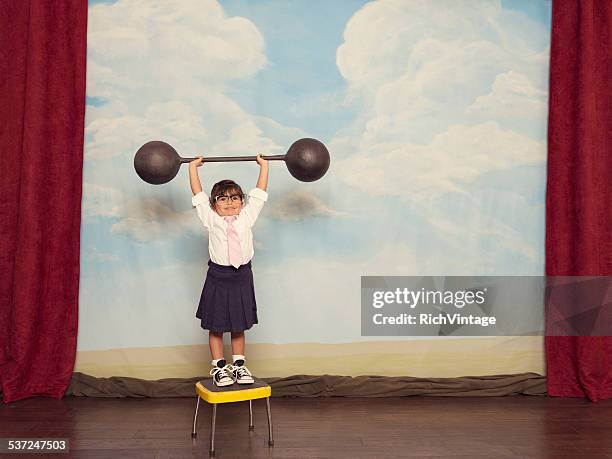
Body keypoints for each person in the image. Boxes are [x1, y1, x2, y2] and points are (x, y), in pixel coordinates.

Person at [189, 154, 269, 387]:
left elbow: (260, 192)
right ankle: (220, 368)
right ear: (214, 205)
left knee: (238, 324)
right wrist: (193, 168)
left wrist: (263, 166)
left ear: (242, 202)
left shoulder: (247, 216)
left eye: (235, 198)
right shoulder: (210, 218)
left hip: (242, 276)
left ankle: (239, 367)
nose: (229, 202)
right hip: (218, 276)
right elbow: (198, 194)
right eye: (222, 199)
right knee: (216, 325)